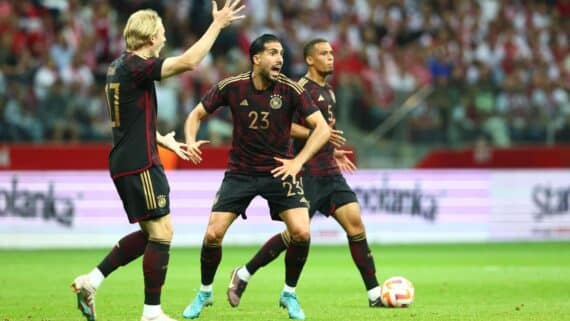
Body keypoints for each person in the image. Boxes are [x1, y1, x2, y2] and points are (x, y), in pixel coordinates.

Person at [71, 3, 245, 321]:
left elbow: (134, 119)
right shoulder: (138, 65)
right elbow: (191, 62)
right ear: (151, 36)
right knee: (163, 233)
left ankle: (90, 281)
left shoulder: (118, 67)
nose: (164, 39)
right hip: (139, 163)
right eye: (162, 33)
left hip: (129, 158)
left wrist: (167, 141)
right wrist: (218, 25)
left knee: (154, 234)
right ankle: (151, 313)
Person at [225, 38, 384, 310]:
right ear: (310, 59)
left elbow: (322, 135)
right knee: (296, 235)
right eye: (324, 54)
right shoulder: (297, 89)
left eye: (332, 53)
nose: (331, 58)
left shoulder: (329, 92)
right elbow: (284, 127)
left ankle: (374, 294)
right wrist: (317, 134)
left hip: (330, 172)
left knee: (356, 224)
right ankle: (244, 273)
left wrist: (331, 150)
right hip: (305, 173)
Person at [181, 34, 331, 320]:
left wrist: (297, 161)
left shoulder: (290, 90)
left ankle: (289, 293)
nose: (280, 59)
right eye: (273, 53)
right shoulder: (232, 86)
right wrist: (189, 140)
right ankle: (205, 292)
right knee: (213, 234)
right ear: (256, 58)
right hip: (241, 172)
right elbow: (195, 115)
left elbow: (321, 129)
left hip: (278, 170)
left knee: (301, 232)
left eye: (282, 54)